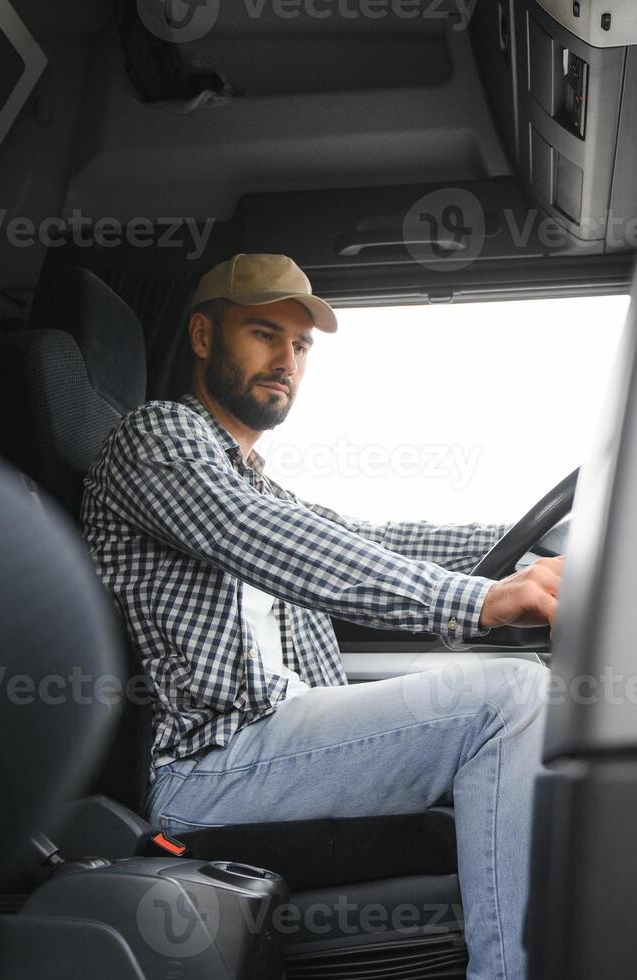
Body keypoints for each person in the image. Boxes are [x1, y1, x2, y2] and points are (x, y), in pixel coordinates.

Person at [79, 253, 561, 980]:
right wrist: (479, 600)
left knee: (519, 696)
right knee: (513, 697)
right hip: (206, 766)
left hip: (275, 741)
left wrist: (536, 551)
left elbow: (380, 540)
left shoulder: (258, 481)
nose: (287, 361)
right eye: (265, 335)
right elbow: (268, 541)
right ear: (204, 337)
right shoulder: (157, 438)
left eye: (301, 346)